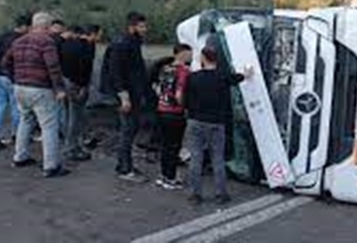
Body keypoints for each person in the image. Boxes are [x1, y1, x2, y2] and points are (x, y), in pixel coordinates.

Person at [2, 12, 69, 178]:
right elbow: (53, 67)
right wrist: (59, 89)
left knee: (26, 121)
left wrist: (15, 78)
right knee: (49, 126)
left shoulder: (18, 41)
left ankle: (20, 157)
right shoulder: (47, 42)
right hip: (40, 89)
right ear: (47, 27)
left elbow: (5, 63)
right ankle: (51, 165)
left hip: (20, 87)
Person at [184, 47, 251, 205]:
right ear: (216, 59)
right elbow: (240, 77)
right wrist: (248, 72)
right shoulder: (223, 77)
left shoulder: (193, 77)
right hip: (216, 123)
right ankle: (221, 194)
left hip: (196, 121)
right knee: (218, 159)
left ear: (203, 58)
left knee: (196, 158)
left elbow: (186, 100)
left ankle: (195, 195)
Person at [100, 12, 149, 183]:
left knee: (130, 129)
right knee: (127, 130)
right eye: (142, 26)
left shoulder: (132, 43)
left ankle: (124, 164)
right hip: (126, 94)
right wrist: (123, 96)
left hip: (132, 93)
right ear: (132, 26)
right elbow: (116, 72)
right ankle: (124, 169)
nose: (145, 29)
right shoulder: (122, 44)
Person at [153, 44, 192, 190]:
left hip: (161, 109)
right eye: (189, 54)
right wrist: (185, 107)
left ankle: (164, 175)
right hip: (175, 112)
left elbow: (157, 88)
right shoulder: (184, 72)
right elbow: (179, 94)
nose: (190, 57)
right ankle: (171, 178)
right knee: (174, 146)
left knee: (165, 145)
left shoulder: (165, 68)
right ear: (181, 54)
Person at [0, 14, 31, 149]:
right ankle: (17, 135)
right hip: (10, 77)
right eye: (29, 27)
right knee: (16, 107)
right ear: (24, 26)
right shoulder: (21, 40)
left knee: (0, 106)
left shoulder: (0, 36)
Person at [59, 25, 94, 161]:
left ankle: (72, 145)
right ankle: (71, 149)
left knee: (67, 115)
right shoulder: (86, 46)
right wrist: (83, 87)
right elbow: (85, 68)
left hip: (65, 82)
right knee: (76, 117)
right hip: (77, 85)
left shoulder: (64, 44)